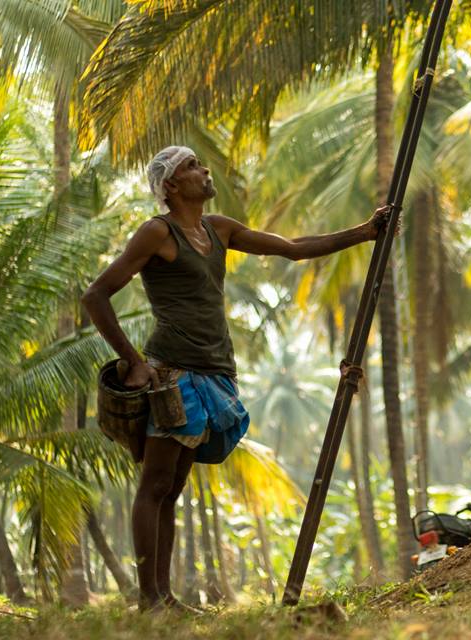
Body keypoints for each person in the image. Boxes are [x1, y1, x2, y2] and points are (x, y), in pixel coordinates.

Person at [82, 145, 389, 611]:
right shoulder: (156, 233)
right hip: (172, 372)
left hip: (215, 372)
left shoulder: (218, 229)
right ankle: (150, 600)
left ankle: (162, 598)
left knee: (174, 488)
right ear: (170, 186)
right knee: (156, 484)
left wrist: (365, 232)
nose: (204, 171)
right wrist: (134, 360)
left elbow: (292, 249)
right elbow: (96, 296)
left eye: (199, 163)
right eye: (191, 166)